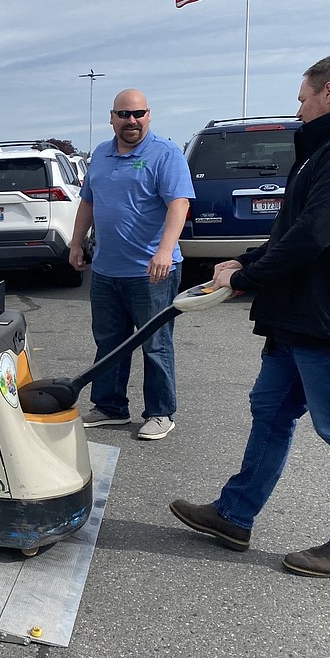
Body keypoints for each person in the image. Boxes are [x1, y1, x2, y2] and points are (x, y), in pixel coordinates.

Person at [169, 54, 330, 577]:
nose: (298, 109)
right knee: (271, 410)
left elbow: (313, 235)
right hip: (303, 315)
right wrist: (243, 262)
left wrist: (246, 279)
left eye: (302, 98)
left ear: (329, 92)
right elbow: (293, 231)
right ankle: (234, 515)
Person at [68, 89, 194, 441]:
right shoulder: (101, 155)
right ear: (112, 118)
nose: (131, 120)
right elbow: (87, 203)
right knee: (108, 340)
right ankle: (110, 407)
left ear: (149, 115)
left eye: (138, 113)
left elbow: (178, 205)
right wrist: (77, 242)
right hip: (107, 270)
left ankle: (160, 412)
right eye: (124, 114)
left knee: (155, 343)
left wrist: (165, 251)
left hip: (152, 271)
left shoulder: (165, 154)